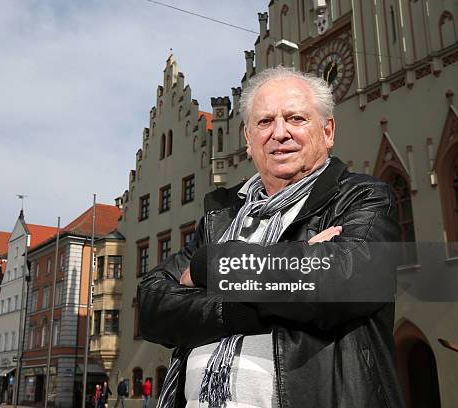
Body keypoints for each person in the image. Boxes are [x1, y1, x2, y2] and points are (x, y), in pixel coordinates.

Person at [138, 66, 404, 408]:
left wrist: (210, 267)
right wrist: (287, 269)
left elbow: (343, 280)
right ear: (248, 139)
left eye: (295, 118)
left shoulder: (363, 197)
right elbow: (152, 304)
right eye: (264, 122)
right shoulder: (222, 214)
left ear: (328, 131)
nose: (280, 133)